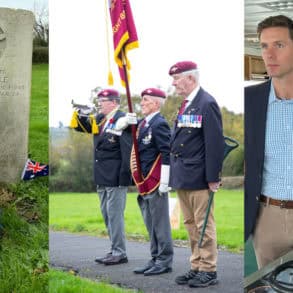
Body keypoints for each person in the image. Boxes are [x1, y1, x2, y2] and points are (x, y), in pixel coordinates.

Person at [168, 61, 224, 288]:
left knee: (204, 225)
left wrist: (213, 177)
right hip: (183, 175)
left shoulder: (206, 103)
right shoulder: (186, 104)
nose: (173, 83)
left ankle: (209, 269)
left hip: (200, 176)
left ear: (190, 78)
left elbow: (215, 144)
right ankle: (197, 265)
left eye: (177, 78)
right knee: (190, 224)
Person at [245, 15, 293, 269]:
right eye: (264, 46)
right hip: (267, 218)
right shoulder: (249, 100)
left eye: (279, 45)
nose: (269, 54)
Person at [71, 88, 132, 265]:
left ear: (114, 102)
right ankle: (114, 249)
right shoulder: (100, 119)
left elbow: (127, 149)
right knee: (107, 215)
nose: (99, 104)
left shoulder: (123, 119)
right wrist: (82, 113)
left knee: (115, 216)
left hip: (115, 176)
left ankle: (120, 252)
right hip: (101, 175)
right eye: (99, 101)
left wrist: (124, 176)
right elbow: (80, 127)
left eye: (103, 101)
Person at [118, 88, 174, 276]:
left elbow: (167, 153)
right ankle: (155, 257)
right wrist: (125, 122)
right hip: (145, 183)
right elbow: (117, 131)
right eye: (142, 100)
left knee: (160, 225)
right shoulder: (142, 124)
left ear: (156, 104)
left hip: (156, 182)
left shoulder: (159, 124)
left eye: (146, 100)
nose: (141, 103)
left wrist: (165, 180)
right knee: (151, 225)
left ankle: (164, 260)